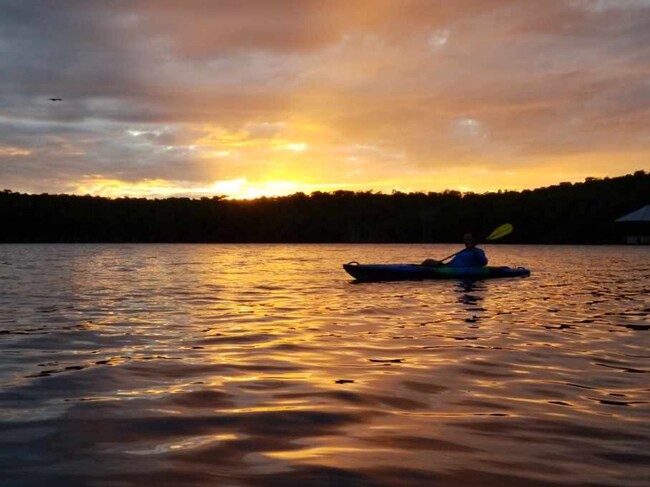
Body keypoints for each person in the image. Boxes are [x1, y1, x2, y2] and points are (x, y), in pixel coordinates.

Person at [422, 232, 488, 267]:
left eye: (469, 239)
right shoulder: (461, 252)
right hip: (451, 268)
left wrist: (474, 250)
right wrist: (440, 264)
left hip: (464, 270)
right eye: (465, 239)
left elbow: (484, 263)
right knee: (428, 261)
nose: (467, 241)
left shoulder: (479, 251)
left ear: (474, 240)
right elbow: (451, 263)